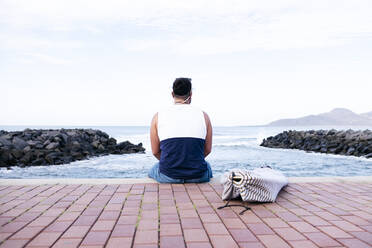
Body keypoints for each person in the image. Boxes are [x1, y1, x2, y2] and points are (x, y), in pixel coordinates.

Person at [148, 78, 213, 183]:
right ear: (190, 94)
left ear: (172, 94)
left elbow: (155, 151)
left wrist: (173, 164)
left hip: (168, 176)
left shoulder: (158, 116)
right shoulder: (204, 116)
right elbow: (207, 150)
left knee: (154, 168)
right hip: (198, 176)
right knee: (207, 166)